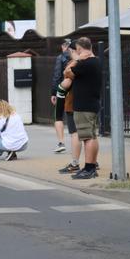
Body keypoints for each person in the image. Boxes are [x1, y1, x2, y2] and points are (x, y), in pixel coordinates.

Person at [58, 38, 101, 179]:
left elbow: (67, 72)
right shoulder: (96, 61)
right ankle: (92, 166)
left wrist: (77, 59)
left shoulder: (85, 64)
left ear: (80, 49)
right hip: (92, 104)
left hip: (83, 106)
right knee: (92, 136)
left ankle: (88, 168)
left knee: (87, 138)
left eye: (76, 50)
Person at [51, 39, 71, 153]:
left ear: (63, 47)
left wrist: (53, 93)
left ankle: (61, 142)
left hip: (62, 90)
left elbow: (57, 75)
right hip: (73, 91)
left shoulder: (61, 58)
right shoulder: (76, 58)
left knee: (58, 116)